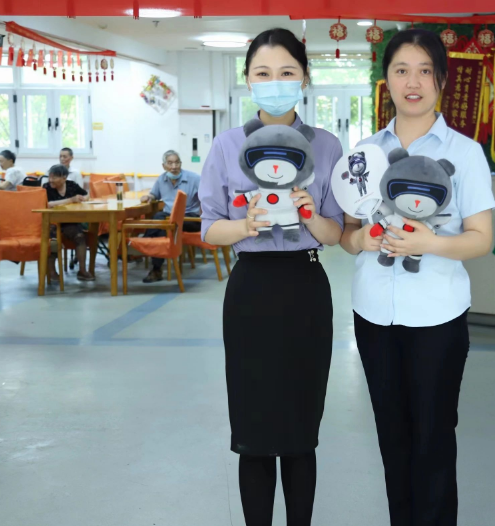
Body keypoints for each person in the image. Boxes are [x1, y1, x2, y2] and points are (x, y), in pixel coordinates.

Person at [340, 29, 495, 526]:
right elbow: (346, 234)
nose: (413, 82)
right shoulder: (366, 152)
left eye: (425, 71)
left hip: (437, 318)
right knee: (392, 438)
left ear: (441, 80)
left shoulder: (464, 153)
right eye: (401, 70)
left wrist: (430, 244)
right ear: (386, 81)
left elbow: (481, 238)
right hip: (373, 315)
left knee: (433, 438)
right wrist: (359, 241)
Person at [199, 28, 343, 526]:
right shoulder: (226, 146)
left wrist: (309, 214)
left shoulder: (326, 146)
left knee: (301, 430)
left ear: (303, 78)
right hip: (251, 291)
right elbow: (209, 229)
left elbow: (333, 233)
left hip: (306, 290)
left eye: (286, 72)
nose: (274, 82)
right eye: (263, 73)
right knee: (254, 431)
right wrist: (246, 225)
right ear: (248, 80)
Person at [139, 150, 202, 283]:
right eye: (170, 163)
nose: (174, 167)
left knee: (162, 222)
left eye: (177, 163)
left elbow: (208, 196)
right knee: (161, 224)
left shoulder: (194, 178)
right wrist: (149, 197)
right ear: (164, 166)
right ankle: (156, 269)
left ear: (181, 164)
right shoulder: (161, 179)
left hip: (190, 218)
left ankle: (144, 246)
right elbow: (154, 194)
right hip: (169, 218)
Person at [43, 164, 94, 282]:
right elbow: (48, 204)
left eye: (54, 177)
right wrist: (71, 200)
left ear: (64, 178)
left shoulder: (71, 185)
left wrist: (83, 198)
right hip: (52, 223)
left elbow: (86, 194)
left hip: (69, 222)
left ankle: (82, 271)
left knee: (80, 236)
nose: (51, 180)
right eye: (50, 177)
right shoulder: (46, 187)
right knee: (52, 240)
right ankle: (51, 272)